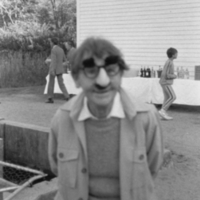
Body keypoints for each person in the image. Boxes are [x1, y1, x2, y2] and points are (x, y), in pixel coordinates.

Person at [48, 37, 164, 200]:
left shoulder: (146, 117)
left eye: (111, 70)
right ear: (76, 78)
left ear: (121, 74)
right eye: (90, 71)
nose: (103, 81)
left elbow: (152, 167)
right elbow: (56, 167)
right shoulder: (62, 119)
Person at [46, 37, 71, 103]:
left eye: (50, 42)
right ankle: (67, 96)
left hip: (54, 69)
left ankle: (50, 98)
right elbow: (65, 59)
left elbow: (54, 61)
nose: (50, 43)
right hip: (60, 69)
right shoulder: (61, 49)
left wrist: (52, 70)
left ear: (52, 43)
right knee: (61, 83)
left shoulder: (53, 50)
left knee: (51, 83)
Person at [159, 47, 178, 120]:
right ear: (173, 55)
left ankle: (162, 115)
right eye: (176, 53)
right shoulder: (169, 62)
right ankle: (162, 111)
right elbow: (167, 75)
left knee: (167, 98)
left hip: (163, 82)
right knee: (173, 97)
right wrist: (174, 76)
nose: (177, 55)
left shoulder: (169, 61)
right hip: (166, 82)